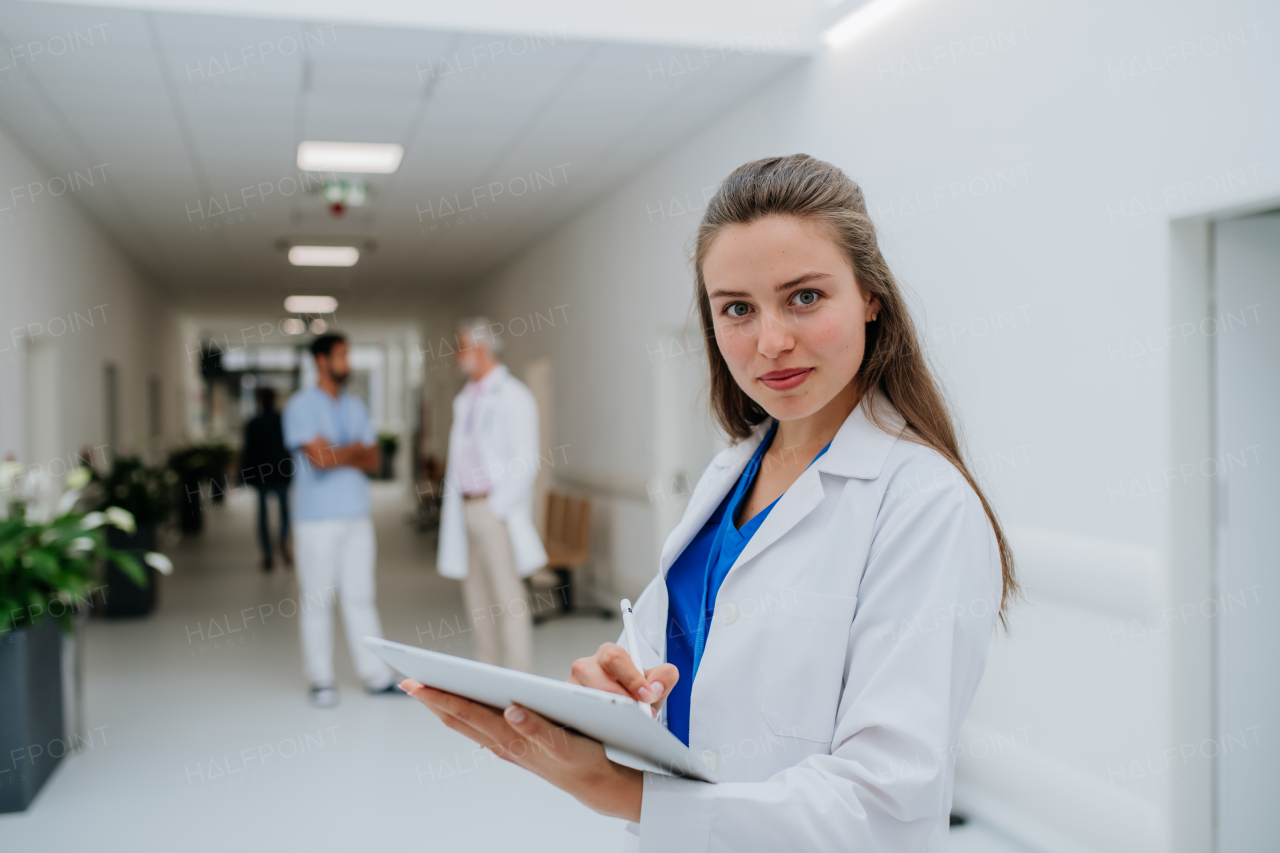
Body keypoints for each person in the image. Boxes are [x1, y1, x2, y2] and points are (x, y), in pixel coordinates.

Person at [403, 154, 1016, 851]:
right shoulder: (733, 468)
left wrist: (620, 792)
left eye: (805, 297)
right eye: (737, 309)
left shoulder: (924, 505)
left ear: (871, 295)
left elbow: (881, 803)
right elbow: (673, 651)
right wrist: (615, 690)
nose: (771, 341)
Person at [283, 333, 402, 708]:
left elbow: (373, 459)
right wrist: (350, 451)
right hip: (316, 520)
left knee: (361, 596)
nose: (347, 363)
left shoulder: (356, 406)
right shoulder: (300, 406)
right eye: (341, 356)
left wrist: (338, 451)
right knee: (318, 598)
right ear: (321, 360)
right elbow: (319, 459)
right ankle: (321, 678)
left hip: (356, 516)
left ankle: (376, 674)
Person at [435, 318, 547, 673]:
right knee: (477, 599)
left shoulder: (513, 395)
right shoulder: (466, 397)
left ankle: (519, 677)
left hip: (494, 510)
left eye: (462, 347)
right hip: (465, 507)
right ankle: (487, 673)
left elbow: (526, 461)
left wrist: (497, 508)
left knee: (508, 598)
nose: (457, 355)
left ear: (481, 350)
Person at [240, 387, 292, 571]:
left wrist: (246, 475)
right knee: (284, 512)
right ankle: (283, 542)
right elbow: (291, 448)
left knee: (262, 516)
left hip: (262, 476)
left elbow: (248, 452)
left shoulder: (254, 423)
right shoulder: (283, 421)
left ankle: (268, 554)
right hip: (281, 474)